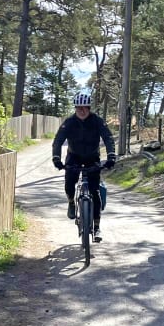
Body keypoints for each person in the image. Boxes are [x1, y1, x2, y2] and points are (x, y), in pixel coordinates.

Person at [52, 91, 116, 242]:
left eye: (84, 108)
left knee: (94, 191)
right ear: (75, 108)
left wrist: (111, 155)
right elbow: (58, 140)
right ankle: (71, 203)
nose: (81, 110)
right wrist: (56, 158)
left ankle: (97, 227)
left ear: (89, 108)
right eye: (78, 108)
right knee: (69, 183)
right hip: (73, 157)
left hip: (92, 157)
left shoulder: (97, 121)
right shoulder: (69, 122)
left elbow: (108, 138)